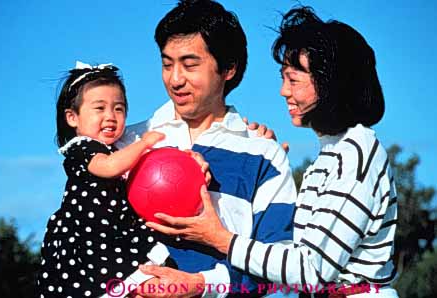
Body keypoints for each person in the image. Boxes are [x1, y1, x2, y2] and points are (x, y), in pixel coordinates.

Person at [145, 6, 399, 298]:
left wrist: (220, 238)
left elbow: (312, 271)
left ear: (331, 83)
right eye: (283, 78)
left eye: (293, 80)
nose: (282, 91)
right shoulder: (330, 156)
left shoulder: (357, 153)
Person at [117, 0, 297, 296]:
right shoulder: (129, 143)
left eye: (190, 65)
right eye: (166, 64)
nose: (175, 79)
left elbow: (280, 268)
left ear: (228, 68)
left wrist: (203, 284)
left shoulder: (264, 155)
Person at [37, 62, 209, 298]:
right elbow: (109, 167)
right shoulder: (80, 148)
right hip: (94, 239)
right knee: (129, 283)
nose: (110, 116)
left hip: (116, 233)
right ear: (72, 117)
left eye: (119, 109)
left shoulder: (116, 148)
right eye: (100, 108)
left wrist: (186, 160)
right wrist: (144, 143)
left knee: (148, 282)